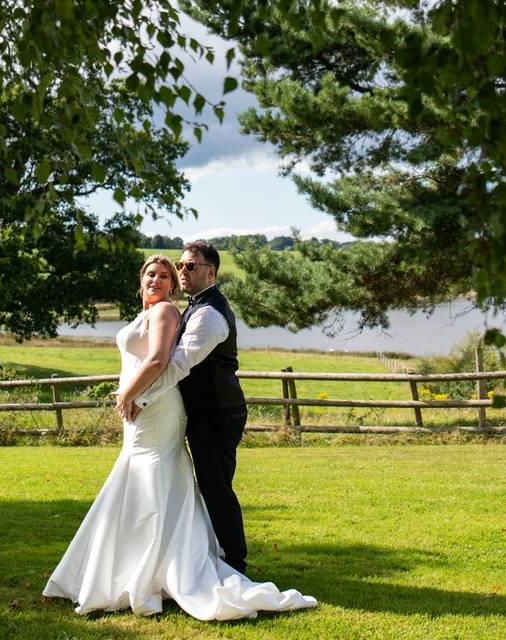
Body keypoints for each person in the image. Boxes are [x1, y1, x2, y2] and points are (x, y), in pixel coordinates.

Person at [42, 253, 316, 620]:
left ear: (176, 283)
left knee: (177, 477)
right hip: (153, 406)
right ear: (140, 280)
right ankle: (137, 564)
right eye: (151, 274)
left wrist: (132, 395)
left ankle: (217, 563)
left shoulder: (176, 313)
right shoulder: (169, 312)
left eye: (168, 274)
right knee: (145, 477)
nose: (160, 279)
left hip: (163, 408)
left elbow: (162, 361)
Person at [128, 241, 249, 573]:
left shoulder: (210, 314)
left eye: (190, 267)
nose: (183, 271)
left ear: (210, 272)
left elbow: (180, 364)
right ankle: (212, 552)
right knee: (208, 484)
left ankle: (235, 561)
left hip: (218, 413)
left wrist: (141, 397)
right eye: (181, 266)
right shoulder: (196, 307)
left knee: (215, 485)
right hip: (203, 411)